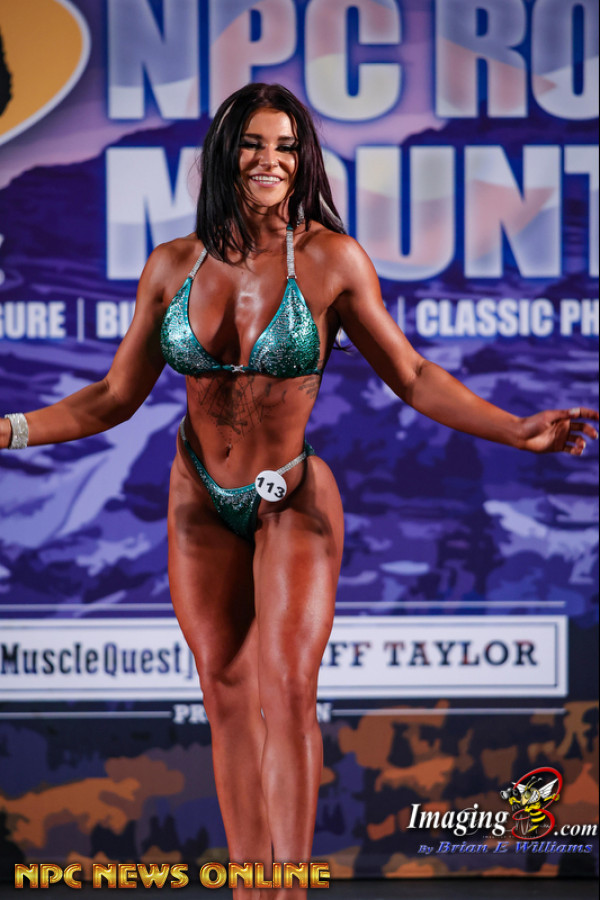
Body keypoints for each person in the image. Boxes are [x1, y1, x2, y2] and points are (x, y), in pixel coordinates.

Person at [2, 83, 597, 899]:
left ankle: (291, 889)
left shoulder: (330, 260)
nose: (269, 160)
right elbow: (111, 398)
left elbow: (412, 374)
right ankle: (254, 888)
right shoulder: (172, 265)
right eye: (253, 143)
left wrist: (515, 429)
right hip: (197, 495)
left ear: (303, 159)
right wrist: (12, 429)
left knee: (287, 690)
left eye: (285, 146)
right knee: (225, 693)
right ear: (226, 153)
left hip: (291, 496)